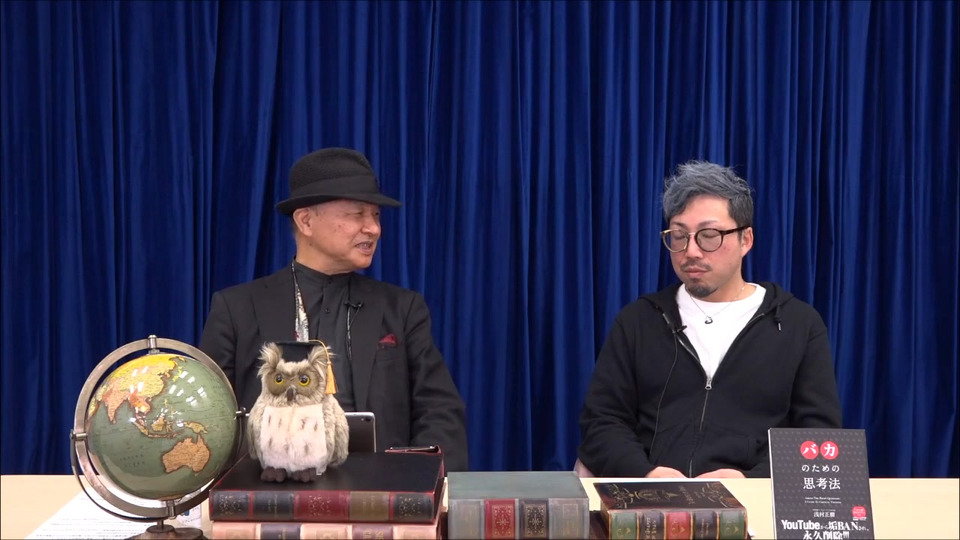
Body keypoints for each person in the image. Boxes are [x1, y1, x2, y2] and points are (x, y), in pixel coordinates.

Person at [200, 147, 469, 472]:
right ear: (306, 221)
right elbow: (209, 420)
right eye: (357, 214)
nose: (373, 228)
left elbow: (439, 411)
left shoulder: (402, 309)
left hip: (380, 490)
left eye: (376, 216)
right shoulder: (236, 309)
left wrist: (417, 482)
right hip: (270, 490)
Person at [578, 161, 842, 478]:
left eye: (709, 235)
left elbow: (819, 439)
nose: (691, 251)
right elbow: (602, 422)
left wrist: (751, 481)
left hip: (753, 500)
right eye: (679, 236)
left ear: (746, 240)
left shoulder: (798, 324)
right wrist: (646, 473)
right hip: (652, 497)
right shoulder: (638, 321)